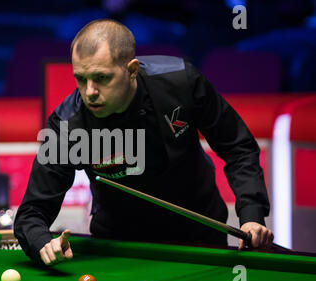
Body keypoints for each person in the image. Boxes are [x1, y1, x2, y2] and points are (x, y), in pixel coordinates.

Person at [14, 19, 274, 266]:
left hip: (199, 237)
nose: (90, 91)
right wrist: (42, 244)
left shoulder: (181, 83)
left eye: (102, 78)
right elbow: (32, 212)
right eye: (80, 79)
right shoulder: (68, 124)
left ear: (132, 70)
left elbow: (237, 146)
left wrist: (251, 216)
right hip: (120, 247)